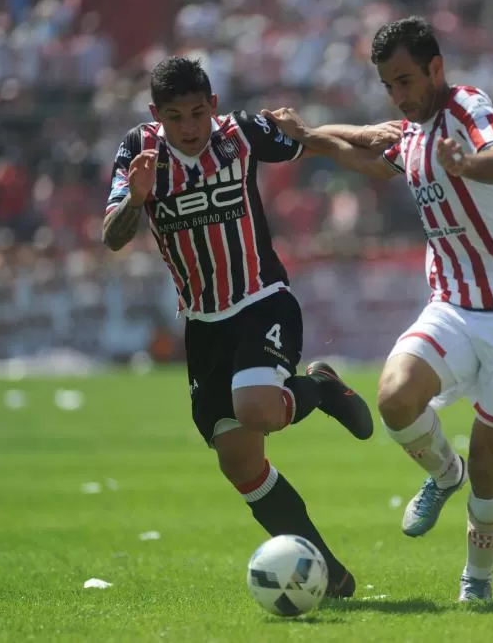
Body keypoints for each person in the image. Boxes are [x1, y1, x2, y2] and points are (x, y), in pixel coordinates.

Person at [263, 16, 493, 602]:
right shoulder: (412, 134)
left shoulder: (468, 107)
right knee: (395, 397)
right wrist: (303, 135)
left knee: (490, 466)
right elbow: (361, 144)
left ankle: (477, 582)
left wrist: (465, 164)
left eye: (406, 80)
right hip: (453, 304)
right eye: (389, 86)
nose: (400, 96)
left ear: (436, 68)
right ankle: (441, 473)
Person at [102, 56, 396, 600]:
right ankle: (328, 573)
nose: (188, 127)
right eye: (175, 116)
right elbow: (113, 235)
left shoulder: (237, 134)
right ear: (155, 115)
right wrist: (138, 199)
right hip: (203, 326)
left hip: (262, 300)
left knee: (258, 409)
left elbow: (303, 136)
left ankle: (319, 390)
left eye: (196, 113)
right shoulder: (138, 152)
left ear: (213, 106)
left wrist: (369, 139)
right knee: (241, 464)